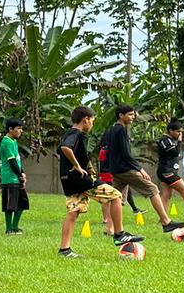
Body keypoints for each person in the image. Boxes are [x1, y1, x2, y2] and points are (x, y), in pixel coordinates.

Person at [56, 106, 144, 258]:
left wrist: (81, 165)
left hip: (68, 180)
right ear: (86, 119)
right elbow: (65, 148)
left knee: (73, 212)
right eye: (92, 121)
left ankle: (65, 250)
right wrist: (77, 166)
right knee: (115, 196)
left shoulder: (69, 133)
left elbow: (61, 150)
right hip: (80, 180)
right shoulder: (75, 134)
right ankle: (119, 234)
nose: (92, 125)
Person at [102, 104, 184, 235]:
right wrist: (139, 168)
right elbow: (125, 153)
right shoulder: (120, 130)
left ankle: (109, 229)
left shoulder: (113, 129)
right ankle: (166, 222)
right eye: (130, 114)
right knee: (152, 189)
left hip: (116, 169)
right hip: (125, 169)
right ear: (121, 115)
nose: (133, 117)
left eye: (133, 114)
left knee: (115, 198)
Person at [0, 118, 29, 235]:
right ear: (10, 129)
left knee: (22, 203)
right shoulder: (6, 142)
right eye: (18, 128)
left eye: (21, 128)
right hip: (9, 179)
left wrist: (22, 173)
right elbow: (11, 162)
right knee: (10, 205)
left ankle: (15, 227)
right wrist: (20, 175)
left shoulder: (14, 142)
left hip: (17, 178)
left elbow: (17, 161)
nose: (21, 131)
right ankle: (9, 228)